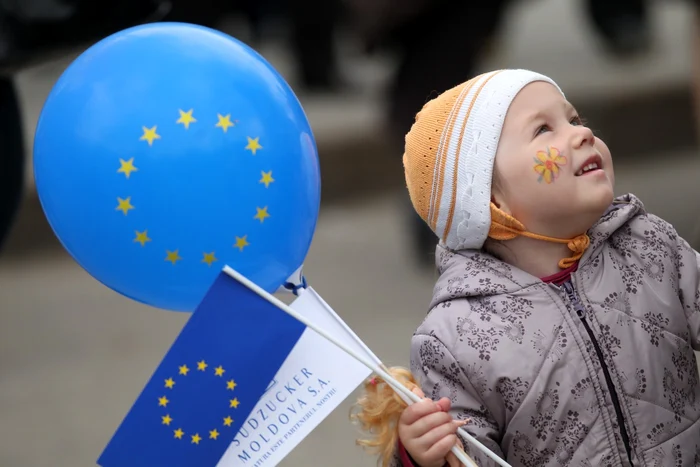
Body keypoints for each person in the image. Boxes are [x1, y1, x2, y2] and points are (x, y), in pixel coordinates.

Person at [350, 69, 700, 466]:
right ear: (489, 201)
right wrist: (422, 454)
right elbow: (470, 456)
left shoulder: (649, 245)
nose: (581, 134)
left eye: (574, 119)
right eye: (543, 130)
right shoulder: (456, 336)